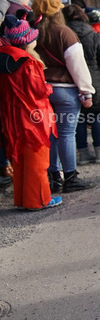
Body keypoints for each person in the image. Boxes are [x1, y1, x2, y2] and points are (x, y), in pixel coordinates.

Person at [30, 0, 95, 193]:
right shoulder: (64, 33)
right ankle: (70, 177)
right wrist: (87, 92)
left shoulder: (33, 33)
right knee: (67, 134)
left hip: (42, 90)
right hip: (65, 91)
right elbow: (77, 66)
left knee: (50, 135)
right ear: (57, 10)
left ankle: (53, 177)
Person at [0, 15, 61, 210]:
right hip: (33, 117)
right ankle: (39, 199)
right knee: (37, 158)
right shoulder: (28, 63)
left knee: (20, 158)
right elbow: (39, 91)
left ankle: (22, 198)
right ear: (26, 41)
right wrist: (49, 87)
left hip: (12, 117)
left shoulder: (4, 58)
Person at [64, 5, 100, 165]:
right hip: (93, 80)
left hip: (69, 80)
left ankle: (83, 154)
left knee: (79, 119)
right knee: (96, 115)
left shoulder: (62, 35)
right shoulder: (94, 35)